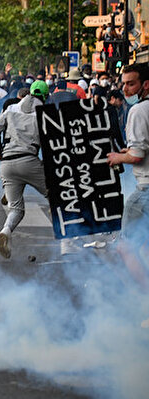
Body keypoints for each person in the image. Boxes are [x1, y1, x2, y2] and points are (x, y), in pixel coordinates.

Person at [107, 63, 149, 327]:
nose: (125, 89)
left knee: (125, 247)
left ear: (145, 85)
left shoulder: (138, 110)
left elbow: (137, 155)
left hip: (145, 191)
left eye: (131, 83)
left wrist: (117, 157)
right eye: (123, 84)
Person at [0, 81, 49, 258]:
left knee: (16, 208)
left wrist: (0, 153)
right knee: (56, 196)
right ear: (45, 97)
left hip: (7, 164)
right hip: (29, 160)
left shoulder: (11, 109)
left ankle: (6, 230)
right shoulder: (44, 114)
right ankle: (68, 242)